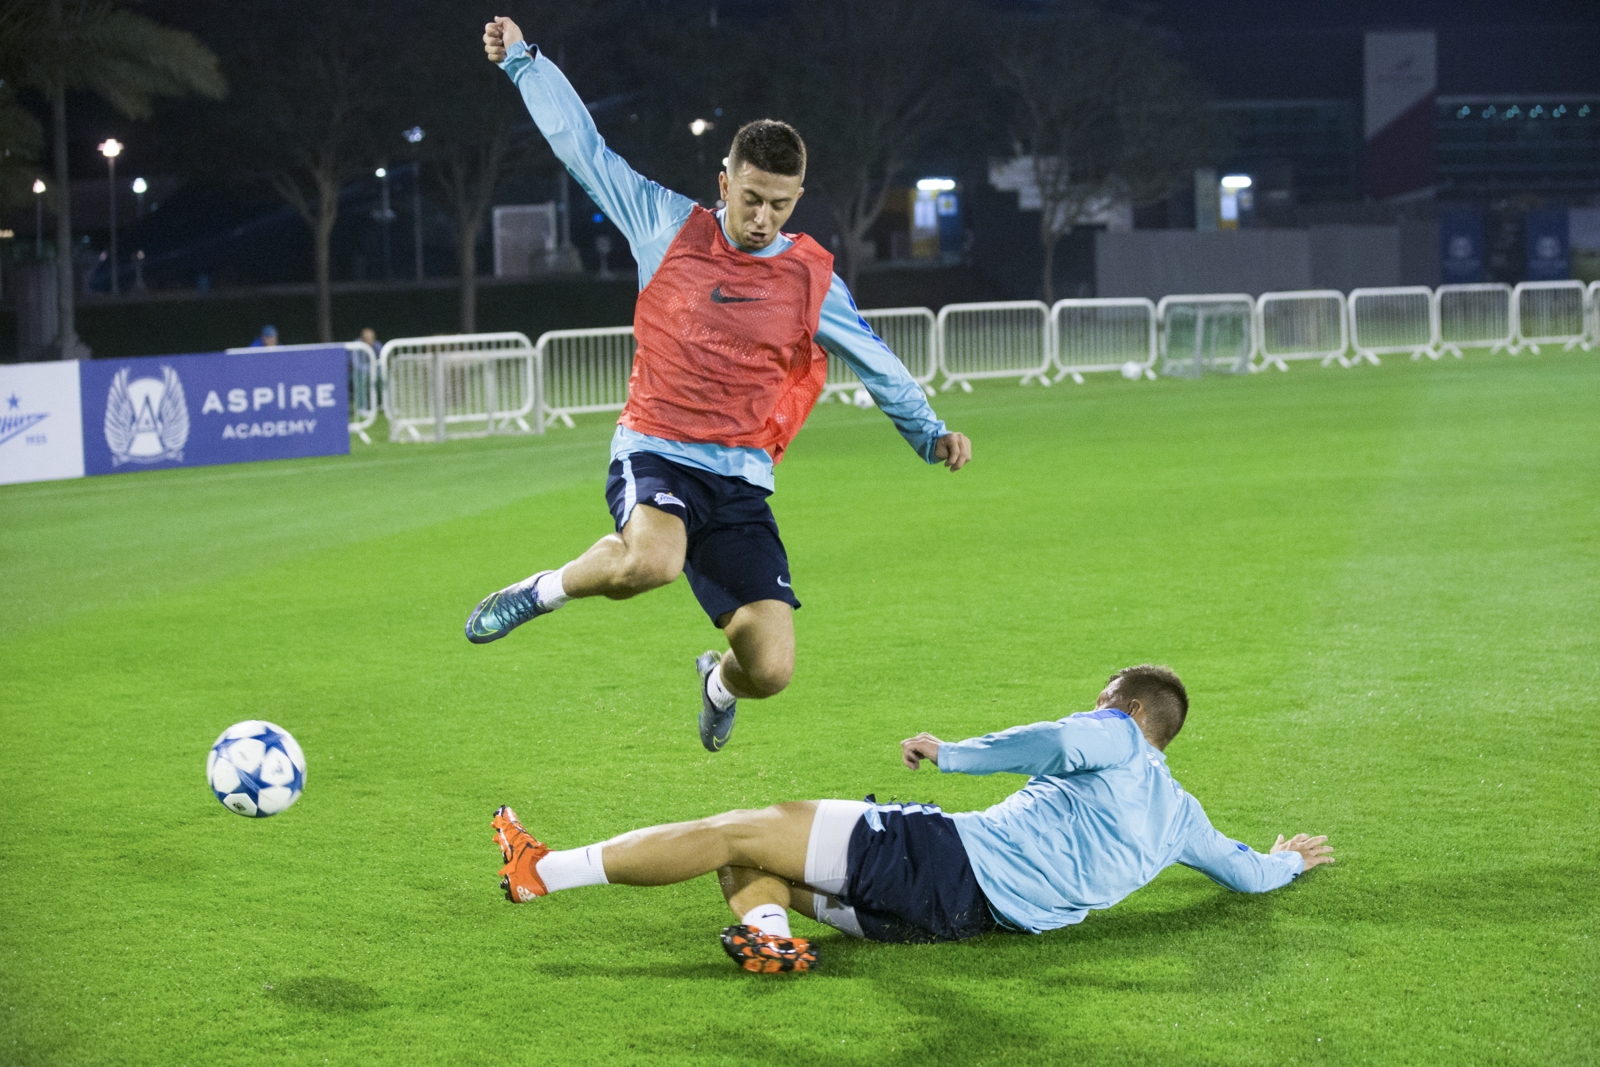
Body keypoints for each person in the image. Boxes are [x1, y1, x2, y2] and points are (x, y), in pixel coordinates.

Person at [469, 19, 972, 754]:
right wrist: (522, 62)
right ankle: (539, 590)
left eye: (781, 204)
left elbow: (872, 356)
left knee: (770, 668)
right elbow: (582, 147)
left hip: (738, 478)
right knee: (652, 561)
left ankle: (716, 683)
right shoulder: (664, 223)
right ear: (725, 183)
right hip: (657, 449)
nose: (764, 218)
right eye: (752, 199)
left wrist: (928, 430)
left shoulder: (810, 276)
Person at [490, 665, 1335, 973]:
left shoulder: (1114, 734)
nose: (1096, 705)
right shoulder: (1182, 815)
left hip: (947, 858)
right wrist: (1289, 861)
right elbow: (1242, 869)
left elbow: (1048, 739)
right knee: (756, 870)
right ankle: (775, 936)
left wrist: (955, 752)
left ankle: (542, 870)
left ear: (1132, 708)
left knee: (740, 828)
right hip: (962, 922)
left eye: (1106, 696)